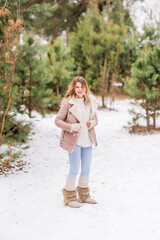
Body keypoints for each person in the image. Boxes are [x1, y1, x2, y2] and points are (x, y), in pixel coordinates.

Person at [55, 76, 98, 208]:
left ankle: (84, 195)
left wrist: (93, 123)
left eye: (82, 87)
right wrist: (71, 127)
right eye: (77, 87)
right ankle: (69, 196)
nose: (80, 89)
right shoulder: (68, 103)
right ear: (73, 88)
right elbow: (57, 121)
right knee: (74, 169)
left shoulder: (90, 102)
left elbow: (96, 119)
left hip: (87, 142)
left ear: (85, 87)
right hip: (75, 142)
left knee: (86, 169)